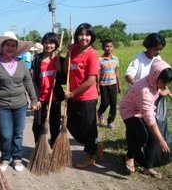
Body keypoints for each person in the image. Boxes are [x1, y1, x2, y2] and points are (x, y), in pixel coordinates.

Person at [0, 31, 38, 172]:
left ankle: (17, 157)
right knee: (6, 134)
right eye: (7, 44)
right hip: (1, 106)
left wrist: (33, 99)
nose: (11, 47)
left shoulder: (21, 63)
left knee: (18, 133)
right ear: (2, 47)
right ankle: (5, 157)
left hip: (20, 104)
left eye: (13, 45)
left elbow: (28, 81)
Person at [119, 59, 171, 178]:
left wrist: (165, 92)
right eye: (163, 82)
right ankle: (129, 156)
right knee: (142, 136)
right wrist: (161, 141)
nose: (164, 86)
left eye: (166, 83)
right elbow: (149, 118)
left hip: (142, 109)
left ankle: (148, 167)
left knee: (153, 136)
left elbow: (149, 112)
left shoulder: (153, 80)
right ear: (155, 75)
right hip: (129, 110)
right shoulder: (144, 90)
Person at [63, 23, 104, 168]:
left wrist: (72, 93)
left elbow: (91, 80)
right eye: (81, 34)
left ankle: (90, 156)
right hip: (73, 97)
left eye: (87, 35)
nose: (84, 38)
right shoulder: (74, 49)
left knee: (88, 128)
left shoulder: (92, 55)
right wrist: (68, 53)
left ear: (92, 37)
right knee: (71, 124)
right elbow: (65, 69)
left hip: (87, 98)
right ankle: (95, 143)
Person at [124, 33, 167, 166]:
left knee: (150, 128)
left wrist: (165, 89)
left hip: (153, 95)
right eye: (155, 49)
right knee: (138, 130)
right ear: (148, 46)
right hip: (139, 95)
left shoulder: (158, 58)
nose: (158, 52)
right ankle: (132, 155)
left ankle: (147, 163)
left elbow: (165, 72)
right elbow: (128, 75)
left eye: (160, 49)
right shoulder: (139, 58)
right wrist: (137, 84)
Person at [31, 32, 66, 147]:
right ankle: (39, 146)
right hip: (40, 98)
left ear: (56, 44)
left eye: (51, 43)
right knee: (37, 124)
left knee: (54, 124)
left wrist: (60, 69)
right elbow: (34, 80)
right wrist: (35, 99)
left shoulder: (60, 59)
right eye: (46, 43)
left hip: (54, 98)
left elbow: (64, 81)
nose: (48, 45)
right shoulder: (37, 59)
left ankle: (54, 146)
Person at [97, 39, 121, 129]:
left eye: (110, 46)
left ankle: (110, 122)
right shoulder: (100, 59)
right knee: (105, 103)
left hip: (113, 84)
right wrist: (97, 87)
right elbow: (98, 74)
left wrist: (119, 85)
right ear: (103, 48)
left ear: (113, 47)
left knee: (113, 104)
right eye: (107, 46)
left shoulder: (115, 59)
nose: (109, 48)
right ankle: (99, 112)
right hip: (103, 85)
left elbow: (117, 73)